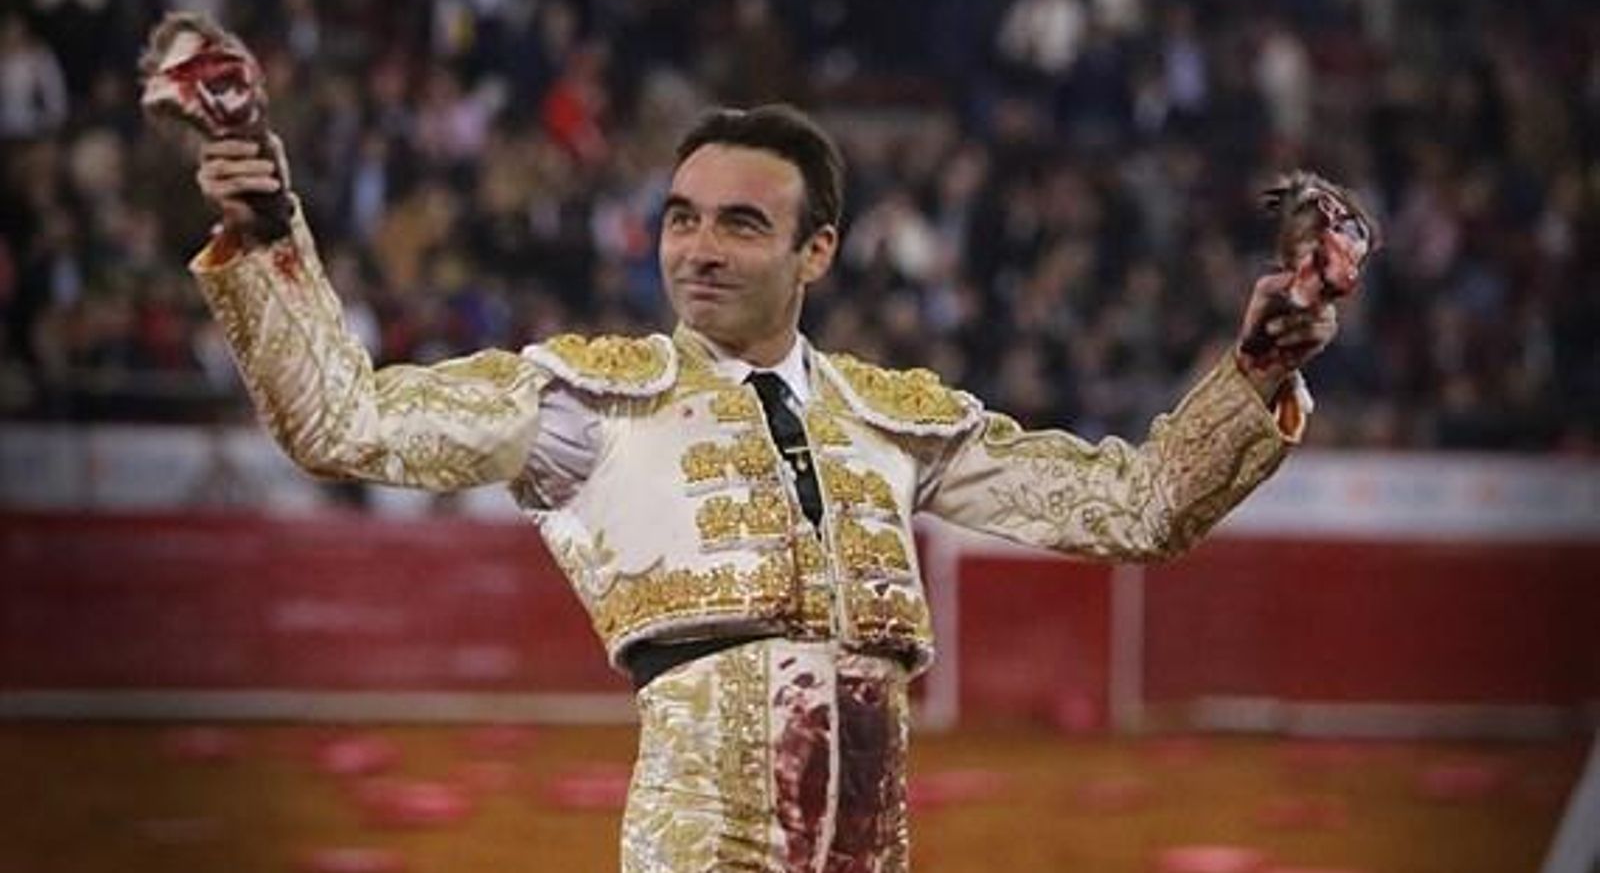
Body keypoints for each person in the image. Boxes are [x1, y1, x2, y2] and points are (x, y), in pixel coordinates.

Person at [190, 103, 1335, 872]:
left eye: (741, 224)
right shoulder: (588, 402)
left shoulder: (895, 418)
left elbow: (1137, 508)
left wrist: (1258, 369)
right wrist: (270, 237)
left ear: (816, 252)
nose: (698, 248)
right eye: (681, 219)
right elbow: (343, 422)